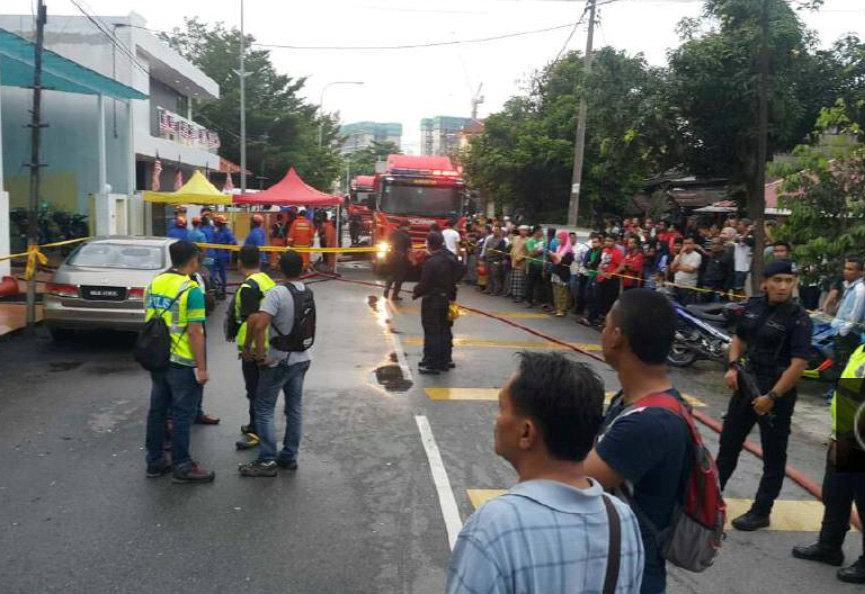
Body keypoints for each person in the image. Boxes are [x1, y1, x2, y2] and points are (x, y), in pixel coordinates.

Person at [447, 352, 645, 594]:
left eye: (502, 408)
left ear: (526, 433)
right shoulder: (622, 518)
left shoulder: (494, 527)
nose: (497, 420)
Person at [583, 289, 693, 594]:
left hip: (631, 573)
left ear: (617, 336)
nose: (602, 333)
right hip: (618, 558)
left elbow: (574, 485)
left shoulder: (648, 421)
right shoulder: (634, 400)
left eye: (605, 325)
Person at [716, 260, 812, 530]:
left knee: (773, 454)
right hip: (746, 385)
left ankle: (761, 510)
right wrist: (733, 367)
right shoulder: (754, 305)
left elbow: (799, 364)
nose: (783, 286)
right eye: (778, 280)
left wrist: (771, 396)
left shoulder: (799, 318)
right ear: (765, 282)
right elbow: (739, 339)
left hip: (776, 391)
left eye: (789, 281)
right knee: (728, 446)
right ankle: (710, 499)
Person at [143, 240, 215, 484]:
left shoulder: (154, 283)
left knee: (157, 411)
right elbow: (196, 332)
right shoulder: (190, 290)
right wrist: (202, 368)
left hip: (158, 358)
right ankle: (182, 465)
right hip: (182, 362)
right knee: (183, 415)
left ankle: (155, 462)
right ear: (193, 259)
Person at [792, 343, 865, 583]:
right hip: (847, 436)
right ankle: (829, 546)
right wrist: (836, 435)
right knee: (835, 494)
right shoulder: (861, 349)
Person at [239, 251, 314, 477]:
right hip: (302, 358)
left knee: (264, 409)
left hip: (279, 359)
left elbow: (260, 324)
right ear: (301, 269)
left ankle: (267, 460)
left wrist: (257, 352)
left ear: (280, 268)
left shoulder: (276, 293)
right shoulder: (307, 291)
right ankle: (289, 456)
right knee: (294, 408)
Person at [233, 245, 276, 451]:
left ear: (240, 262)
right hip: (269, 342)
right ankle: (254, 425)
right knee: (260, 389)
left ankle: (256, 432)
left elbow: (252, 319)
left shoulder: (249, 286)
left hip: (256, 346)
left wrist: (250, 347)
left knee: (254, 390)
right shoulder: (266, 280)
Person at [413, 232, 460, 375]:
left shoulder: (431, 262)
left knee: (432, 332)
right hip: (447, 299)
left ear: (429, 244)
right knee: (445, 330)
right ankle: (444, 360)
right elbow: (461, 271)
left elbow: (424, 284)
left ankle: (433, 364)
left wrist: (416, 292)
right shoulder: (450, 257)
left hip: (433, 300)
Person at [824, 257, 865, 385]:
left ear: (860, 272)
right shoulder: (849, 286)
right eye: (845, 268)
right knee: (837, 365)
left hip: (848, 335)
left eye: (850, 269)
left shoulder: (860, 290)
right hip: (841, 332)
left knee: (842, 366)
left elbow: (855, 316)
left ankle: (839, 394)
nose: (846, 271)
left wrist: (842, 332)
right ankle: (834, 391)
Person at [583, 235, 623, 326]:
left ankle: (604, 321)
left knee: (607, 301)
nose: (607, 242)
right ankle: (592, 318)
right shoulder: (604, 251)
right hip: (601, 278)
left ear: (614, 242)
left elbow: (621, 266)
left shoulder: (617, 253)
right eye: (606, 241)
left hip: (611, 281)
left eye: (610, 241)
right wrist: (600, 271)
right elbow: (601, 263)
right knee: (596, 298)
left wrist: (611, 274)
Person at [384, 221, 412, 301]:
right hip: (401, 258)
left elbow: (387, 243)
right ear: (405, 226)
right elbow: (409, 249)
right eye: (409, 226)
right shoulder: (407, 236)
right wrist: (410, 260)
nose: (409, 228)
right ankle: (395, 295)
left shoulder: (393, 234)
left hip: (391, 256)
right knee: (400, 277)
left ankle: (386, 289)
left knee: (391, 274)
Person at [548, 230, 574, 316]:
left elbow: (563, 262)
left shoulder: (569, 251)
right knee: (555, 291)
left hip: (563, 273)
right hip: (556, 272)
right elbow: (555, 260)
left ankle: (562, 309)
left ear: (565, 239)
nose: (558, 240)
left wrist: (555, 256)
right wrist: (554, 256)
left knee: (562, 292)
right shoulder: (558, 248)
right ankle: (557, 308)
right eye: (558, 238)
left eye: (560, 238)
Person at [670, 236, 702, 304]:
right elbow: (672, 268)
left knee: (687, 307)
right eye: (685, 243)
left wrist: (678, 267)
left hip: (688, 287)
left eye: (689, 243)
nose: (687, 245)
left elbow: (691, 269)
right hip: (677, 285)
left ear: (693, 244)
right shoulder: (679, 255)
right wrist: (681, 253)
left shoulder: (697, 256)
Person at [702, 236, 735, 302]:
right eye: (712, 244)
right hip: (707, 289)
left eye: (715, 244)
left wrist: (724, 290)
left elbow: (730, 275)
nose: (713, 246)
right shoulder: (710, 257)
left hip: (719, 290)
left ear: (721, 245)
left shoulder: (727, 257)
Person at [211, 215, 236, 299]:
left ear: (219, 223)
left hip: (222, 255)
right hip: (220, 255)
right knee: (219, 273)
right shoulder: (218, 231)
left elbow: (232, 243)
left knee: (220, 273)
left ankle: (221, 291)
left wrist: (227, 248)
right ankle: (219, 291)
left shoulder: (225, 232)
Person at [524, 226, 547, 307]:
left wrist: (544, 263)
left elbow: (545, 253)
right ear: (536, 232)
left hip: (541, 264)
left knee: (540, 283)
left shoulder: (543, 241)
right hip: (532, 264)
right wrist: (538, 251)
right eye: (541, 231)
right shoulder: (530, 241)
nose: (542, 233)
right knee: (530, 283)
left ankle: (538, 300)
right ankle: (528, 301)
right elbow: (530, 253)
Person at [482, 227, 507, 296]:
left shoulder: (502, 241)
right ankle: (488, 289)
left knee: (495, 275)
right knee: (488, 274)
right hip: (488, 258)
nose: (495, 232)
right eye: (494, 230)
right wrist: (484, 255)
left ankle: (496, 290)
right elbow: (485, 247)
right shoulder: (489, 239)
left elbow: (503, 251)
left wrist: (502, 260)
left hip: (496, 259)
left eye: (497, 230)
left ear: (500, 232)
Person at [732, 219, 754, 294]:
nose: (738, 226)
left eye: (740, 224)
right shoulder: (738, 236)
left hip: (742, 268)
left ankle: (742, 302)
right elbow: (737, 240)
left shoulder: (750, 238)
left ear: (746, 227)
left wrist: (748, 231)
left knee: (739, 288)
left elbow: (743, 240)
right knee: (735, 288)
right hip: (735, 266)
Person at [508, 225, 529, 303]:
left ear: (527, 232)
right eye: (521, 230)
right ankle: (514, 295)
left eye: (525, 230)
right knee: (514, 279)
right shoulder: (515, 238)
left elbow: (527, 253)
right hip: (513, 261)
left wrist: (519, 259)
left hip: (521, 262)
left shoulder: (528, 240)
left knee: (520, 280)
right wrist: (511, 255)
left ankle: (520, 296)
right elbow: (513, 248)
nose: (523, 232)